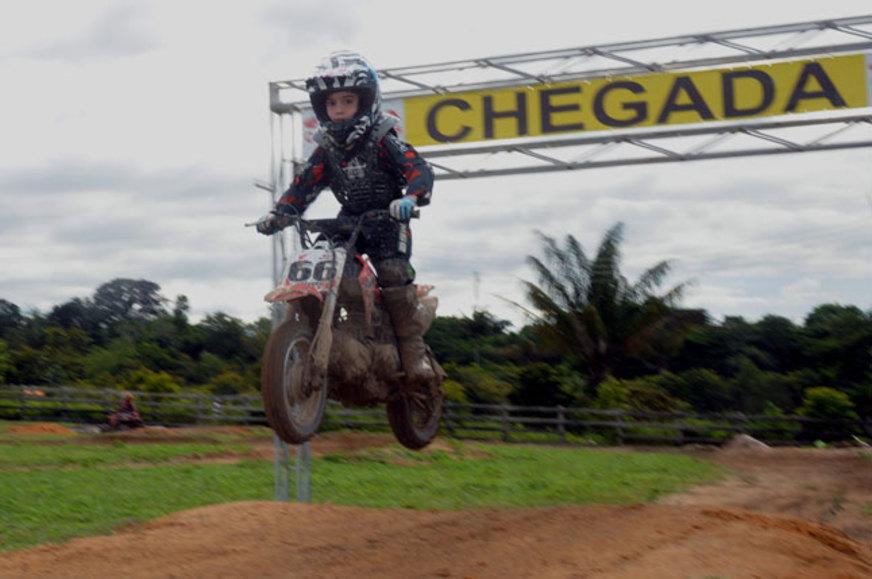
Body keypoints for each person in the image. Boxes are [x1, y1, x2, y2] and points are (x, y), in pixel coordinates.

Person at [257, 51, 435, 383]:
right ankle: (350, 341)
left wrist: (410, 197)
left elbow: (418, 169)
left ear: (365, 102)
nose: (338, 109)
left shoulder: (384, 140)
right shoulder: (327, 150)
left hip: (387, 222)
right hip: (348, 222)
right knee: (334, 271)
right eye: (332, 102)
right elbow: (304, 185)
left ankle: (415, 356)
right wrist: (279, 214)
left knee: (394, 276)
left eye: (348, 100)